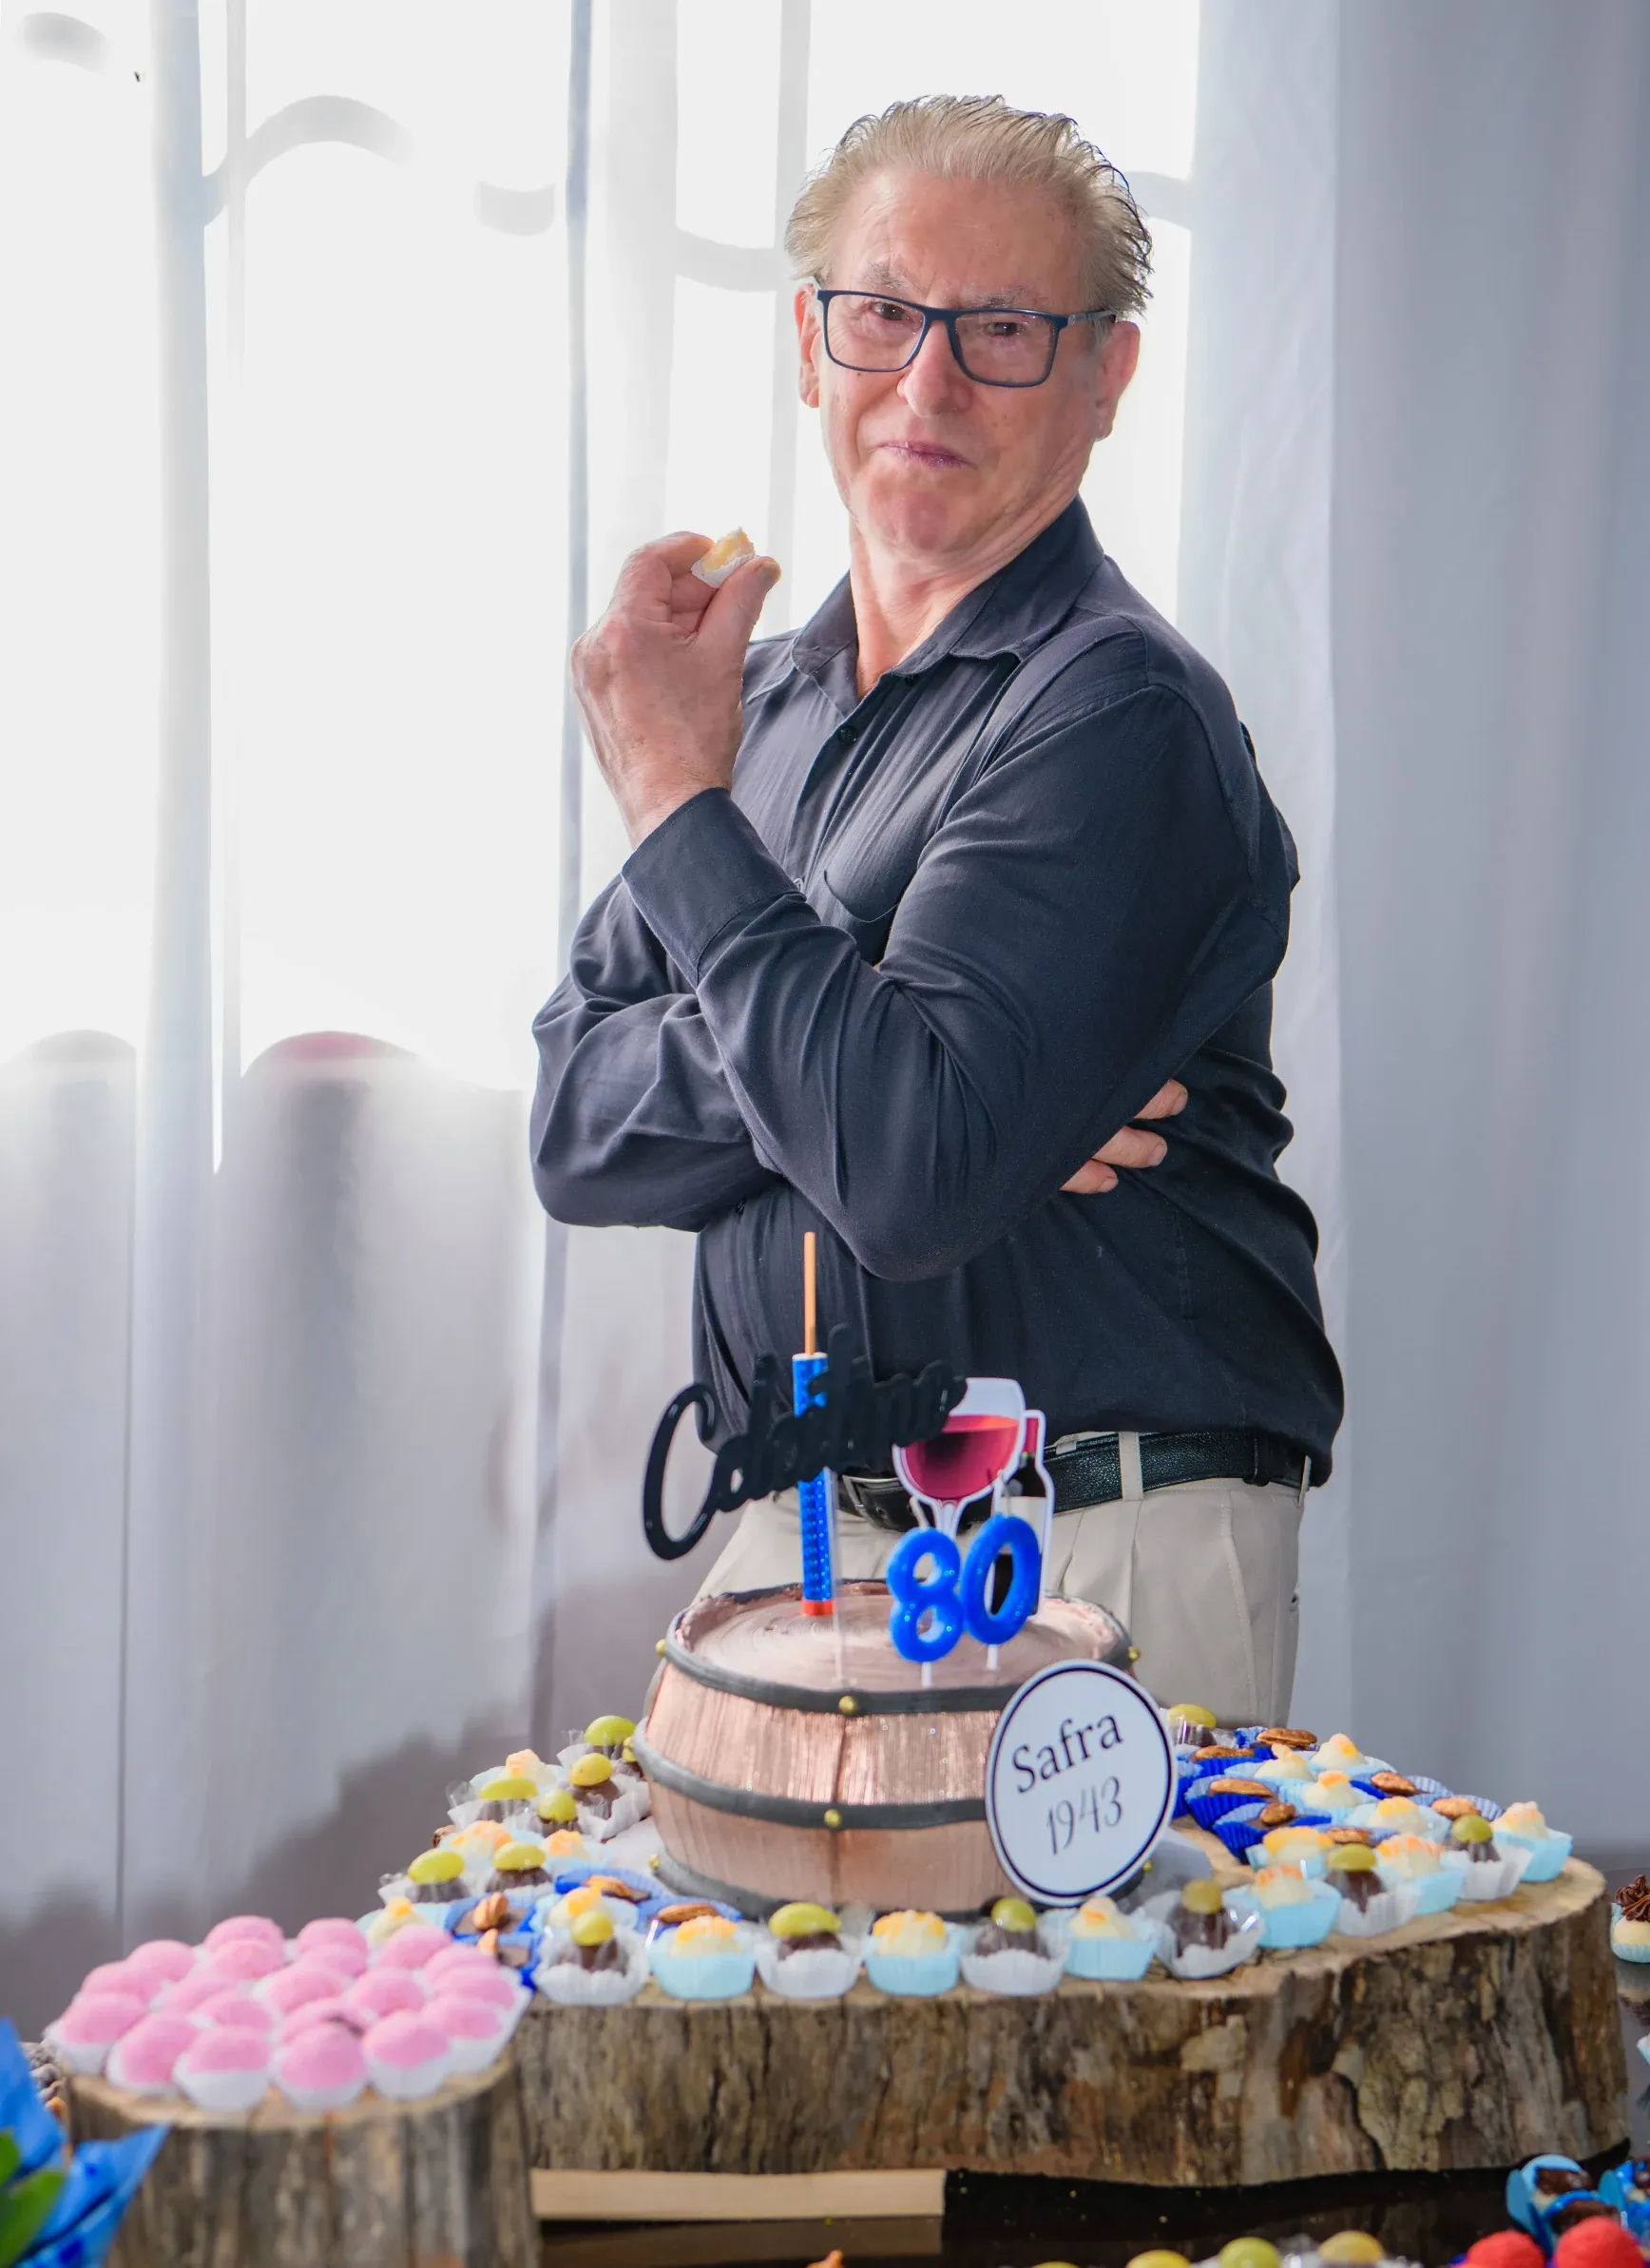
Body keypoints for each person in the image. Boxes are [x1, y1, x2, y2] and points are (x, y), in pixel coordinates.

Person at [530, 95, 1343, 1725]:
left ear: (1107, 375)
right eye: (887, 313)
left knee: (1094, 1994)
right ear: (813, 344)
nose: (927, 378)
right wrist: (883, 1065)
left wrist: (685, 820)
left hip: (1096, 1539)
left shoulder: (1118, 714)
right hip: (801, 1526)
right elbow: (574, 1127)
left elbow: (903, 1174)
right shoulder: (746, 708)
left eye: (1002, 330)